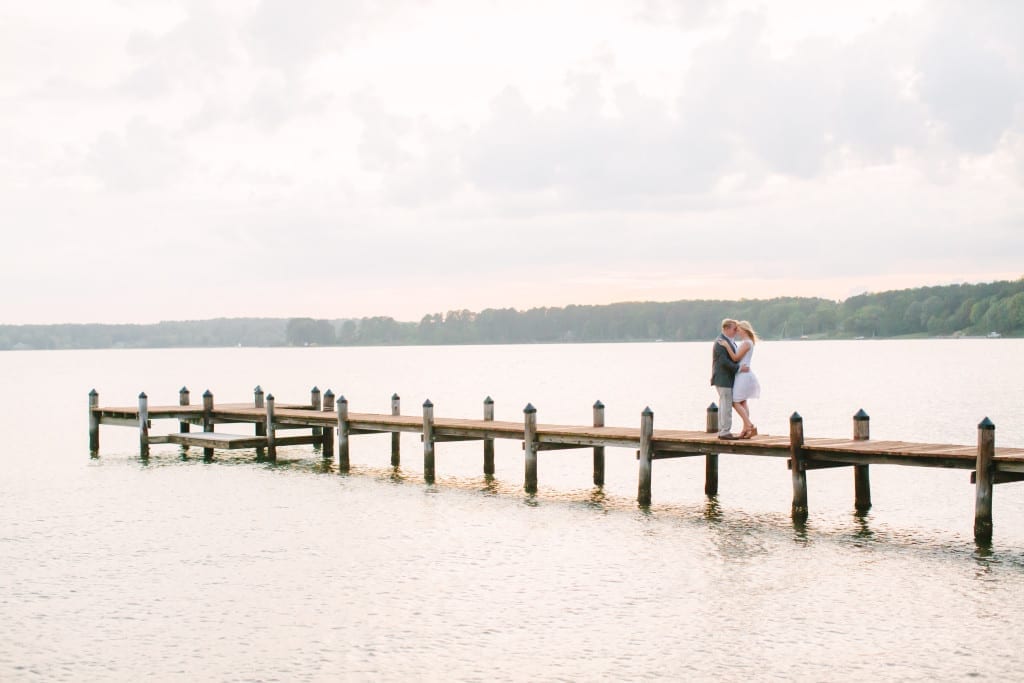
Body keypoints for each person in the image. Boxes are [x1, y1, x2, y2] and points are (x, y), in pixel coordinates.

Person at [717, 320, 761, 439]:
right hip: (742, 374)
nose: (737, 332)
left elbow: (736, 358)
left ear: (744, 330)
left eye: (738, 329)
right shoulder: (746, 342)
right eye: (735, 329)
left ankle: (749, 425)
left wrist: (727, 346)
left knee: (735, 401)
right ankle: (746, 429)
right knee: (742, 402)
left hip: (743, 375)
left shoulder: (746, 343)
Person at [710, 319, 742, 440]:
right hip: (723, 378)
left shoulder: (728, 341)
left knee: (725, 404)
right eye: (734, 329)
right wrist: (738, 368)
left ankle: (723, 430)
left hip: (725, 378)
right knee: (726, 405)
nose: (736, 331)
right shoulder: (720, 342)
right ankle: (724, 432)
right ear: (726, 328)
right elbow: (723, 361)